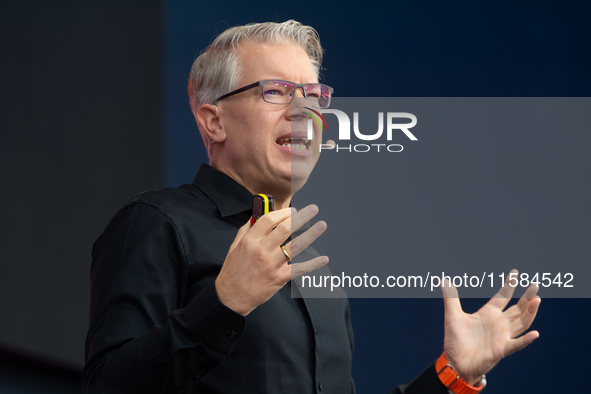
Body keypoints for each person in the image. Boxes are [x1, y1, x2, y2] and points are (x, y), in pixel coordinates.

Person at [82, 20, 541, 394]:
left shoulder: (315, 268)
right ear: (214, 120)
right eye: (276, 91)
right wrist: (224, 304)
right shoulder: (159, 224)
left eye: (314, 95)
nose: (303, 109)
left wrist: (453, 375)